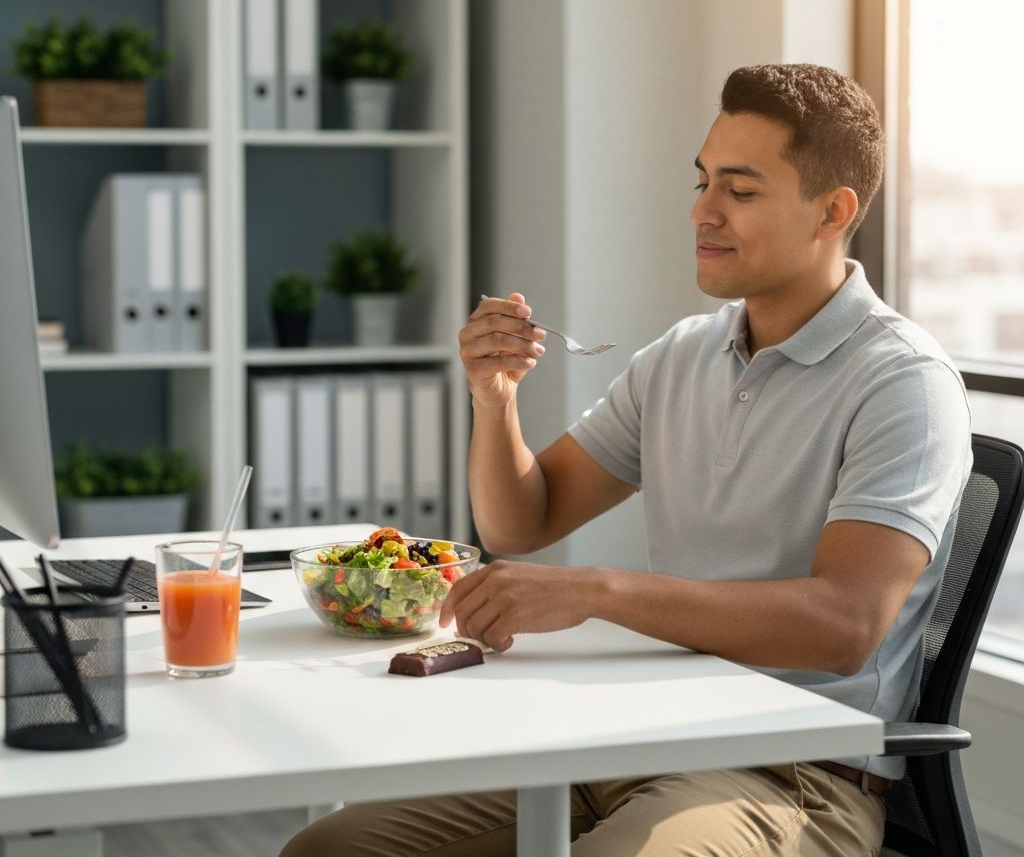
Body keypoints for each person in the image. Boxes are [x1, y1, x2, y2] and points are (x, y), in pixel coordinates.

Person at [281, 63, 972, 857]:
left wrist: (600, 592)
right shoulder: (683, 355)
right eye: (703, 180)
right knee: (329, 851)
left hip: (790, 769)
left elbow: (843, 625)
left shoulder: (902, 384)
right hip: (636, 728)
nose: (702, 212)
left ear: (832, 211)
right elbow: (524, 520)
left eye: (740, 191)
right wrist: (493, 398)